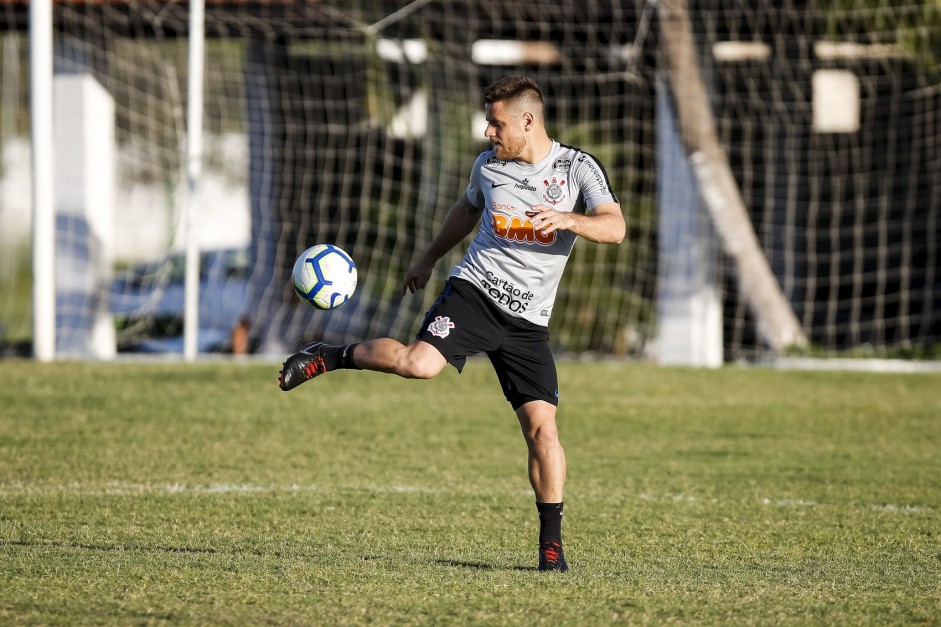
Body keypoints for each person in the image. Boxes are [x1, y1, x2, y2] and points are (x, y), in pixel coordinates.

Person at [279, 75, 625, 572]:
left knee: (543, 431)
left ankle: (551, 549)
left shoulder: (577, 169)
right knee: (419, 365)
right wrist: (427, 260)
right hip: (475, 293)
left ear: (528, 121)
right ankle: (328, 355)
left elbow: (615, 227)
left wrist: (570, 220)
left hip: (529, 321)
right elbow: (467, 211)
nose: (487, 131)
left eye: (496, 121)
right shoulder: (488, 167)